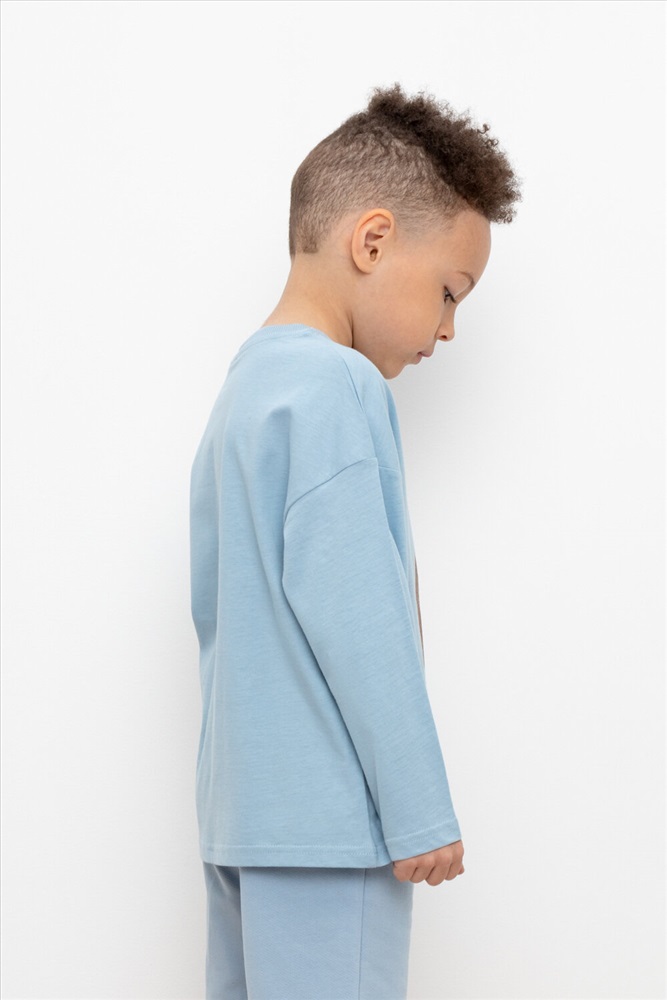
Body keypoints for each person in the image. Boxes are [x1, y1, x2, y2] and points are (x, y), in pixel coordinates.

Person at [189, 82, 522, 1000]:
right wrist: (418, 807)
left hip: (242, 820)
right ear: (371, 241)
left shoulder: (243, 393)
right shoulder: (336, 386)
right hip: (328, 827)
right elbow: (358, 615)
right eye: (449, 292)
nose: (447, 329)